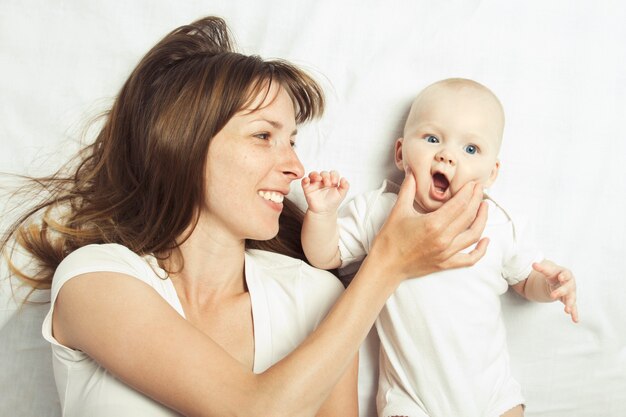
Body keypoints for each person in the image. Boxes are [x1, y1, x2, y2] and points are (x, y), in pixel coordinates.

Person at [1, 19, 491, 417]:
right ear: (185, 146)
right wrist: (387, 264)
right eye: (263, 136)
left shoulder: (316, 297)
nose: (295, 166)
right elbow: (248, 409)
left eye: (293, 140)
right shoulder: (96, 279)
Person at [301, 78, 579, 417]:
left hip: (493, 399)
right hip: (412, 402)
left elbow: (525, 280)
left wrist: (549, 285)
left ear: (491, 173)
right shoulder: (377, 212)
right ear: (401, 153)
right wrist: (323, 213)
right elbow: (324, 255)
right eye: (432, 139)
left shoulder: (499, 223)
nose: (447, 155)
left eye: (471, 149)